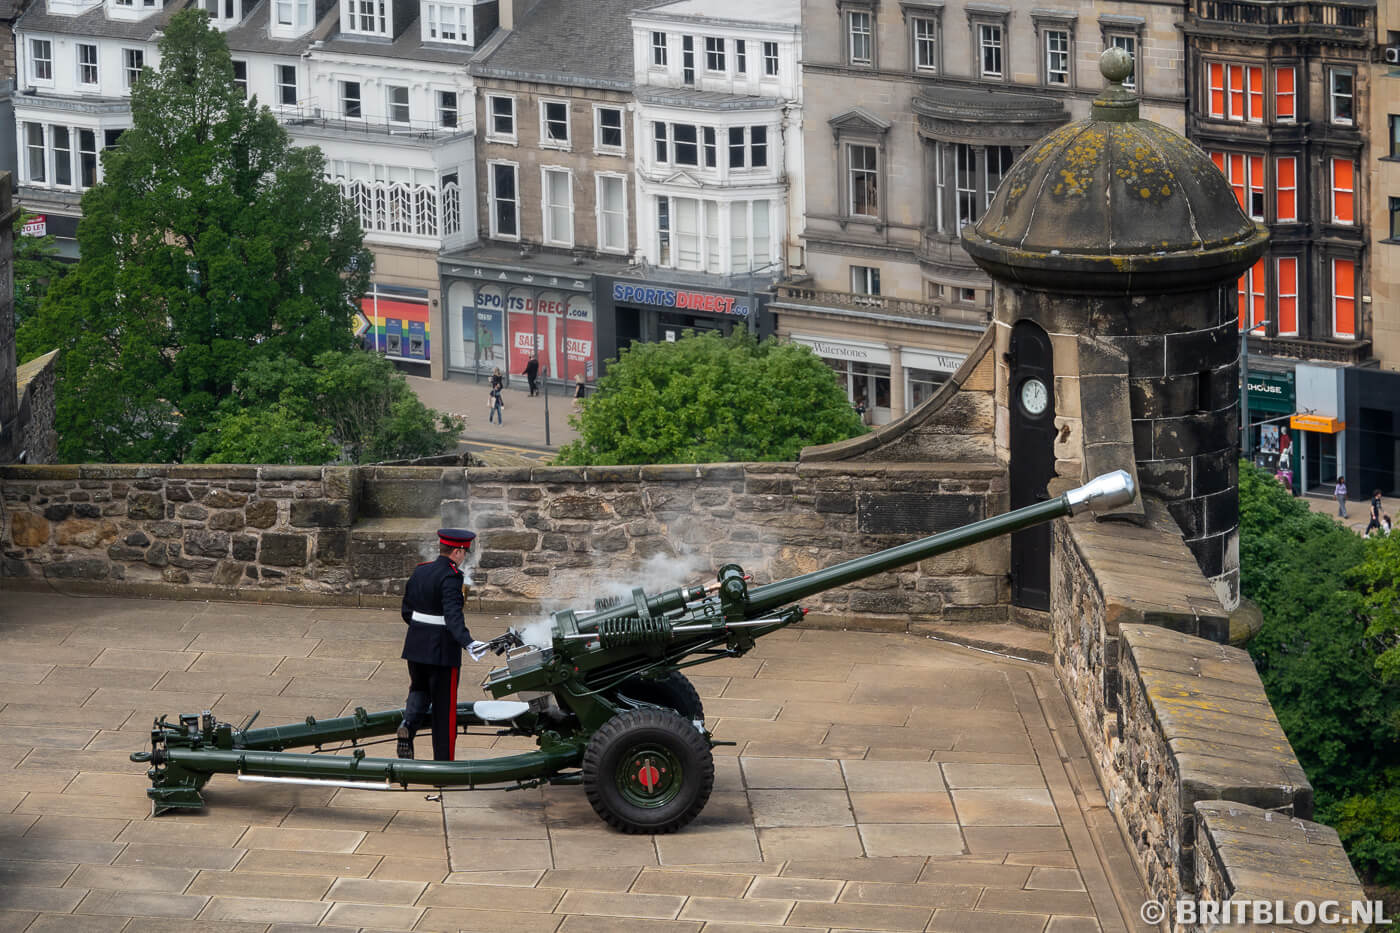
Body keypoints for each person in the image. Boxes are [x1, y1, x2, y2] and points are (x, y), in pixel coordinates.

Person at [398, 529, 489, 761]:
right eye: (464, 553)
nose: (463, 557)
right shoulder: (451, 577)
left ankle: (408, 725)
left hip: (415, 647)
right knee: (444, 712)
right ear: (457, 551)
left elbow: (407, 611)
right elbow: (453, 616)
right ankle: (443, 764)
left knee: (418, 689)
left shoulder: (421, 570)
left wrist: (422, 631)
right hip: (442, 653)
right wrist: (468, 643)